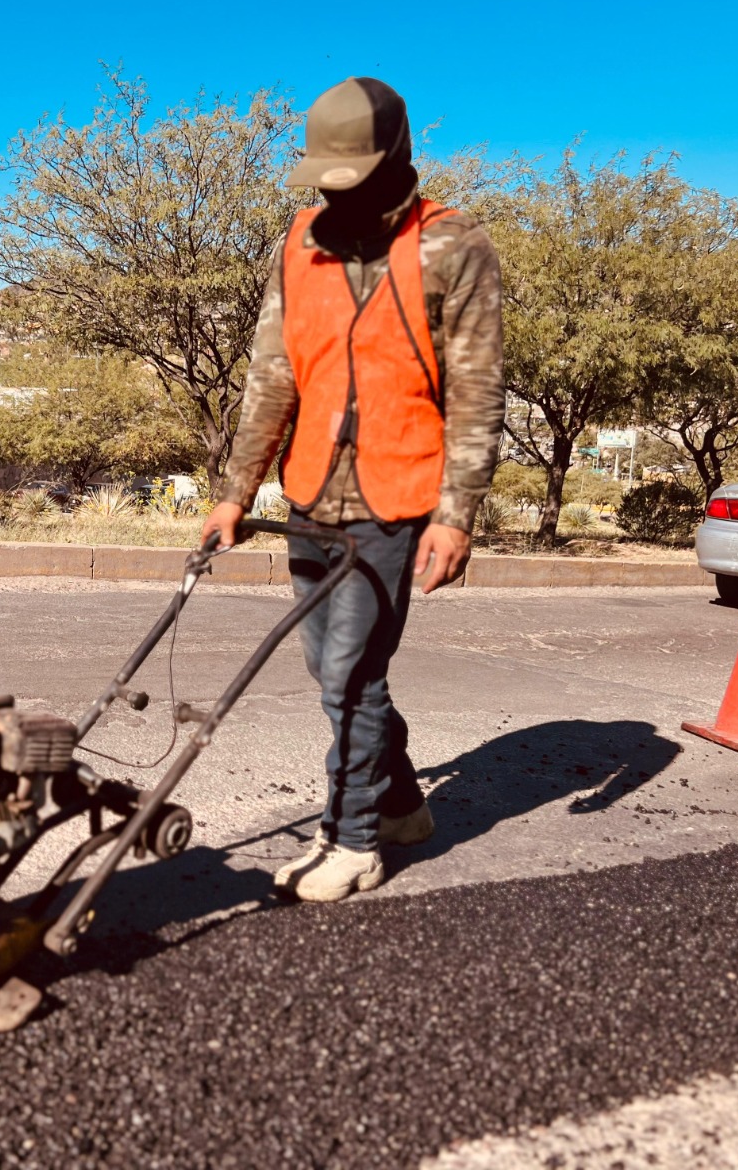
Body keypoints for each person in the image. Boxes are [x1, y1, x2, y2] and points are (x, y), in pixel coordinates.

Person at [202, 76, 505, 902]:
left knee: (351, 674)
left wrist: (457, 516)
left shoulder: (454, 245)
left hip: (398, 494)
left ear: (395, 160)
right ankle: (402, 801)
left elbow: (478, 392)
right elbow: (272, 376)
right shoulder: (299, 242)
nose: (336, 197)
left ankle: (355, 839)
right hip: (310, 492)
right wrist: (237, 490)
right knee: (330, 670)